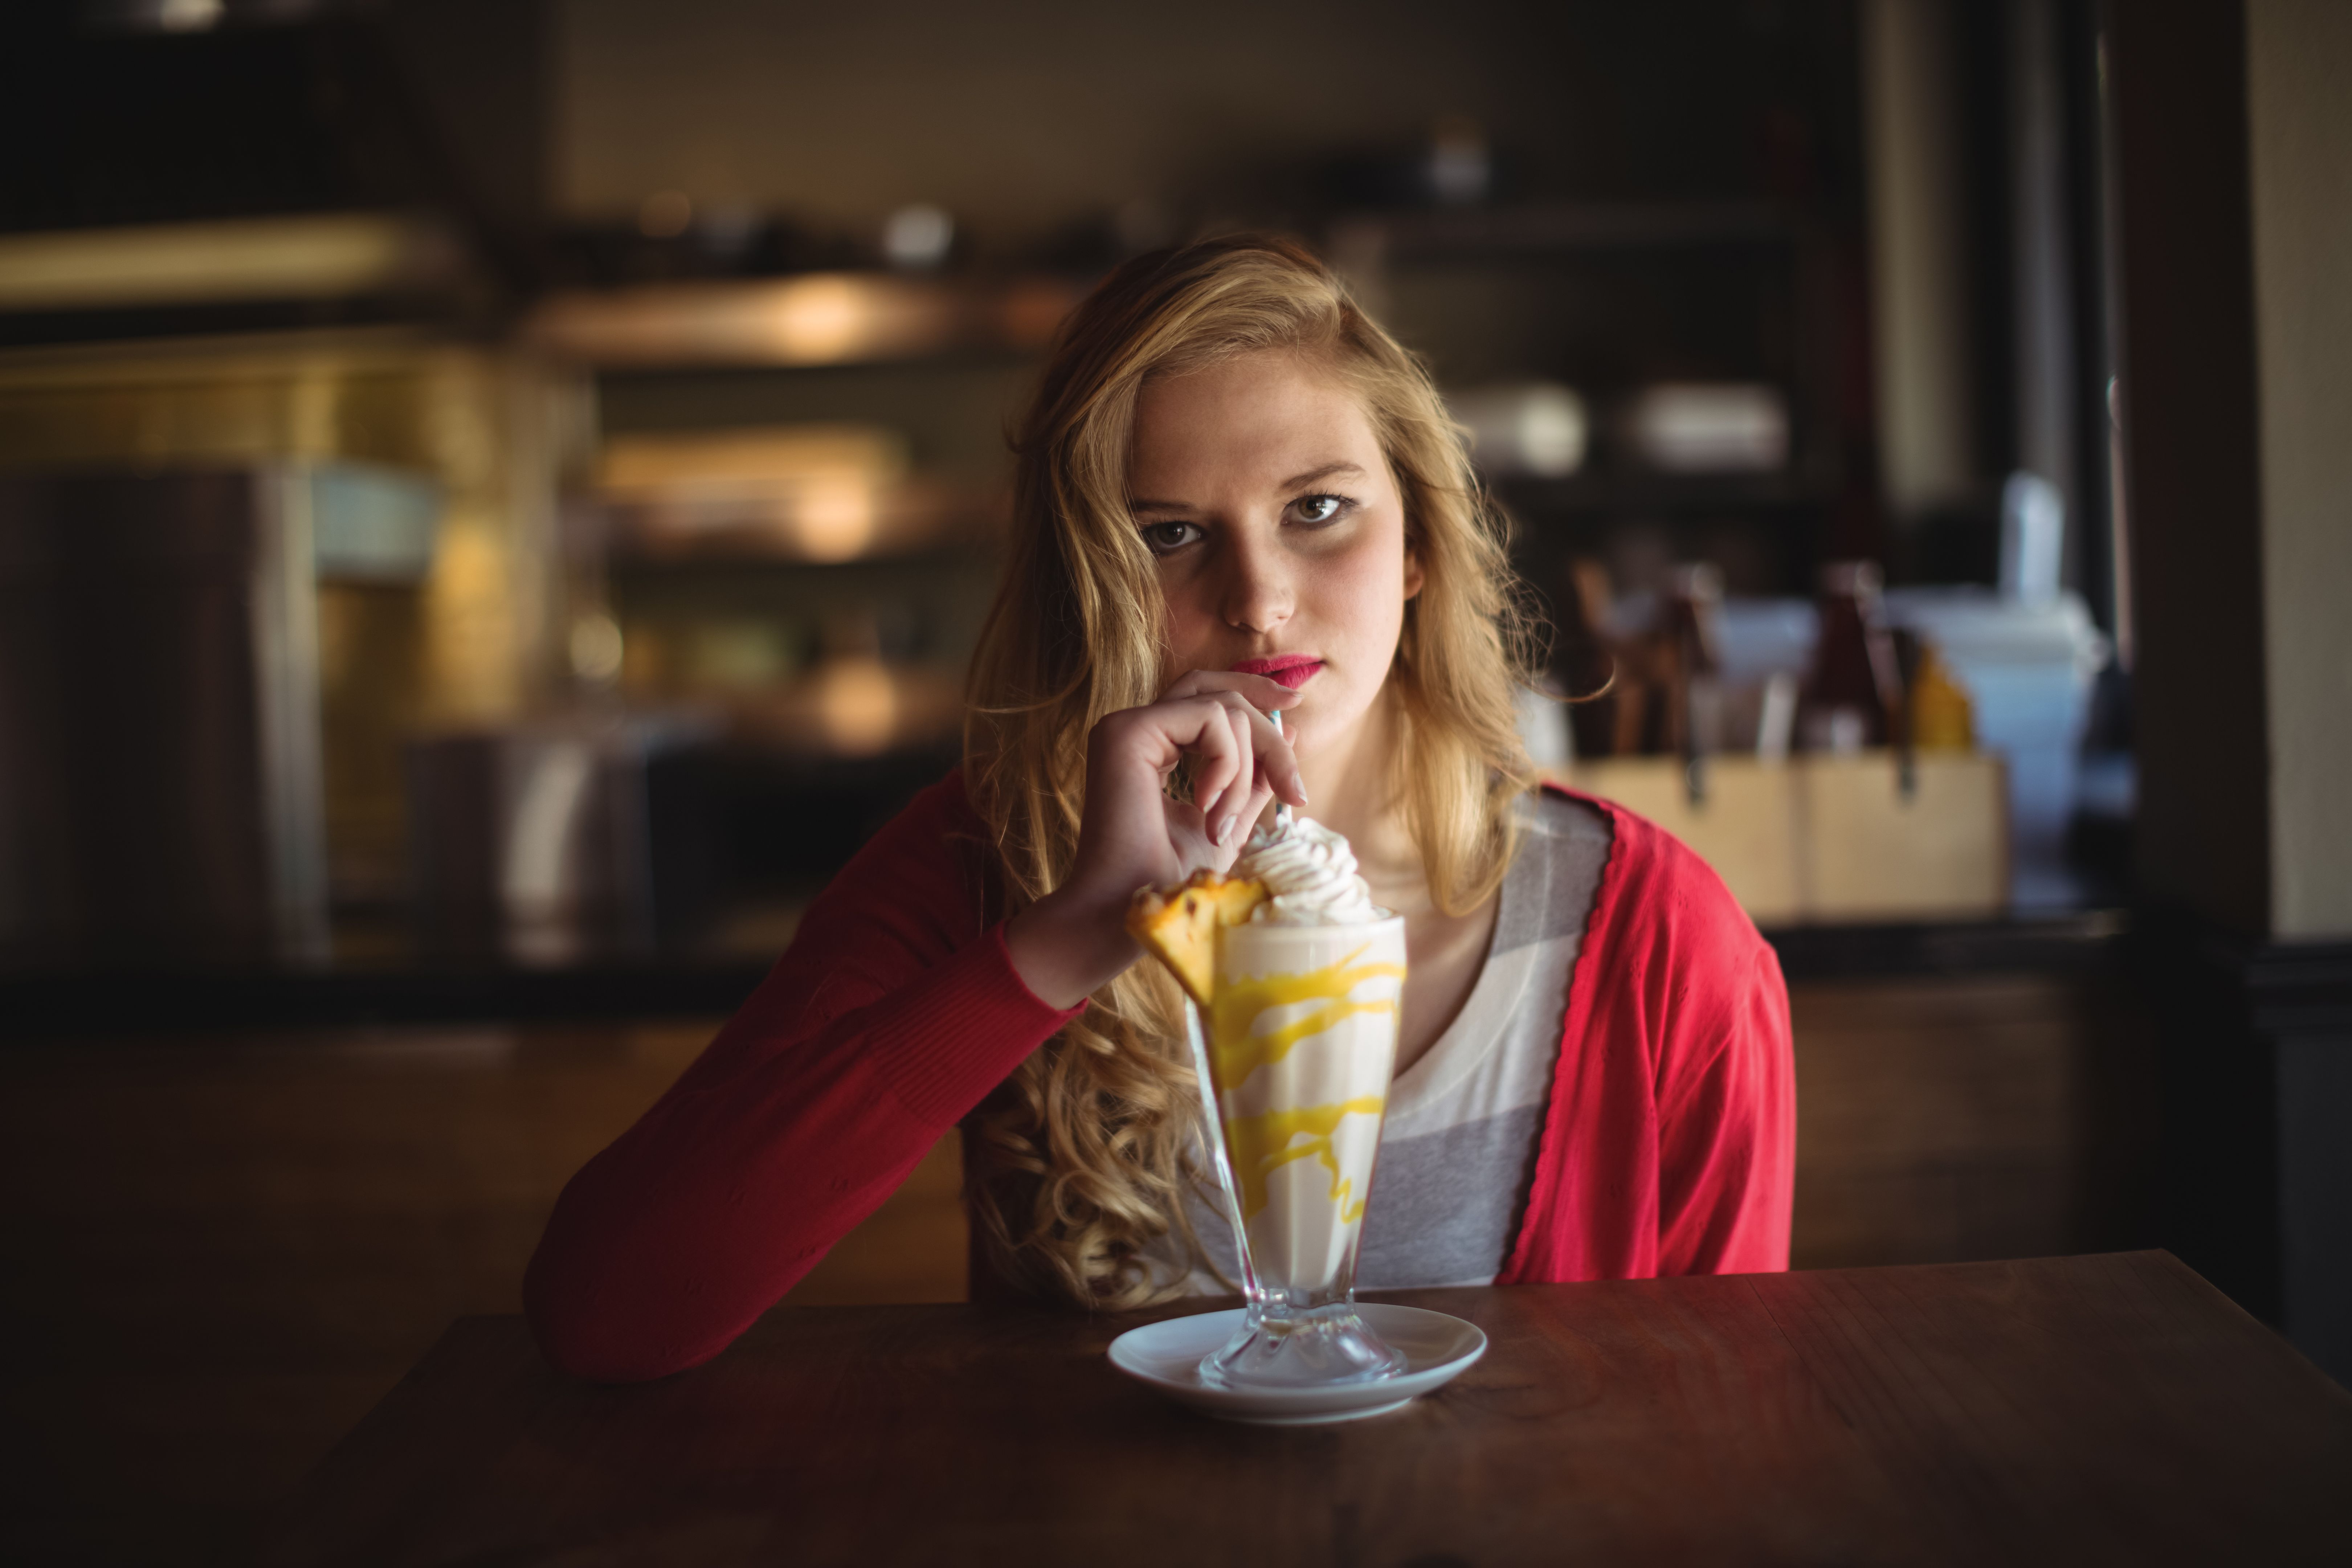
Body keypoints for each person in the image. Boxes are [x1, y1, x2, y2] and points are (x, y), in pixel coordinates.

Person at [525, 236, 1794, 1383]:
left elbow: (1720, 1424)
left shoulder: (1652, 939)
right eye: (1173, 533)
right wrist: (1059, 947)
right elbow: (610, 1312)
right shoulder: (992, 864)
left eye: (1318, 510)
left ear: (1416, 545)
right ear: (1090, 586)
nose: (1259, 599)